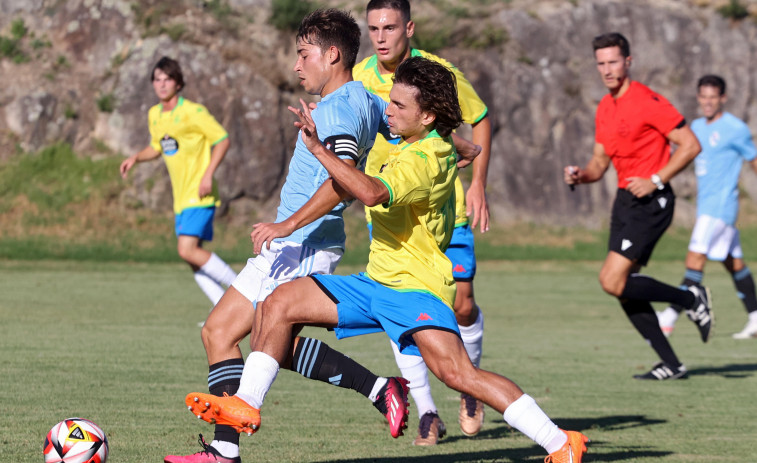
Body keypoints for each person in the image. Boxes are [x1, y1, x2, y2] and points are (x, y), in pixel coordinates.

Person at [186, 56, 589, 463]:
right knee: (279, 303)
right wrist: (461, 145)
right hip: (376, 281)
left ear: (427, 115)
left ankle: (560, 443)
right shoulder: (416, 136)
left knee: (458, 375)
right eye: (389, 102)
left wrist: (318, 150)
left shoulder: (423, 160)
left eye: (398, 106)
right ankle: (246, 405)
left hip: (415, 290)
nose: (388, 111)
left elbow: (372, 193)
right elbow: (464, 145)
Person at [163, 9, 406, 463]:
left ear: (332, 54)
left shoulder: (342, 106)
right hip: (291, 242)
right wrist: (456, 143)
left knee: (268, 337)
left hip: (305, 242)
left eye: (303, 54)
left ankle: (227, 445)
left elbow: (343, 179)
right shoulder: (366, 101)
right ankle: (376, 388)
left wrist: (286, 224)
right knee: (220, 332)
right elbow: (401, 126)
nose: (297, 65)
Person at [352, 0, 492, 444]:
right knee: (401, 313)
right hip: (392, 213)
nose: (380, 36)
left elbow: (480, 119)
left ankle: (470, 386)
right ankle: (428, 410)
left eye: (389, 27)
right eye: (373, 27)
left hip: (444, 207)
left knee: (463, 304)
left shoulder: (436, 73)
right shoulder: (358, 78)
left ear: (408, 28)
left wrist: (478, 185)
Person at [564, 33, 710, 381]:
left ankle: (691, 299)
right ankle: (672, 364)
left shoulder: (648, 101)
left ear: (628, 62)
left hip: (652, 200)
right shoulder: (605, 106)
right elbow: (599, 164)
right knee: (622, 287)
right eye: (601, 63)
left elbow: (690, 145)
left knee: (612, 280)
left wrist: (657, 179)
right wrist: (581, 175)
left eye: (613, 61)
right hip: (625, 201)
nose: (607, 69)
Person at [120, 57, 237, 308]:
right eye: (157, 79)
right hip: (181, 199)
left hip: (200, 193)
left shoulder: (193, 112)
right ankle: (224, 308)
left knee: (186, 249)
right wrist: (135, 158)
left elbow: (222, 140)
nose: (162, 84)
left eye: (168, 79)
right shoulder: (155, 115)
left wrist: (207, 175)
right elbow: (157, 147)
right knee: (192, 258)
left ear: (178, 83)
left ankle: (244, 294)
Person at [657, 75, 757, 340]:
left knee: (695, 259)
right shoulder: (697, 127)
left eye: (713, 97)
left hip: (720, 208)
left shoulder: (736, 128)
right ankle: (756, 318)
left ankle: (668, 318)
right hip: (706, 207)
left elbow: (754, 159)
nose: (708, 102)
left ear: (722, 98)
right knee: (734, 263)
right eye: (704, 97)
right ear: (699, 98)